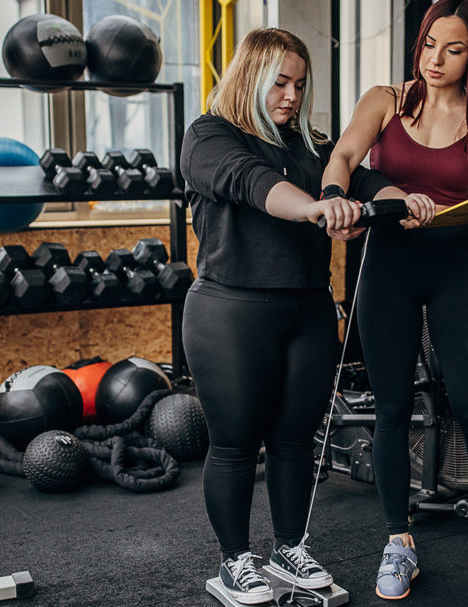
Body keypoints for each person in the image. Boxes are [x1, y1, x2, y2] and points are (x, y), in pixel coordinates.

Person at [179, 27, 423, 605]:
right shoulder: (210, 136)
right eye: (279, 82)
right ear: (251, 78)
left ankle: (289, 546)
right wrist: (316, 205)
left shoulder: (312, 145)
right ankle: (235, 561)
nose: (291, 94)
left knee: (295, 441)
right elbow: (254, 184)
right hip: (230, 311)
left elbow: (361, 178)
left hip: (309, 310)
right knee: (236, 442)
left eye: (299, 83)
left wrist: (399, 202)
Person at [321, 0, 468, 599]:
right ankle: (397, 542)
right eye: (430, 43)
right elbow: (342, 158)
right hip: (386, 267)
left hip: (455, 267)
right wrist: (337, 198)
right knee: (391, 410)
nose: (436, 59)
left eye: (454, 49)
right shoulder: (386, 99)